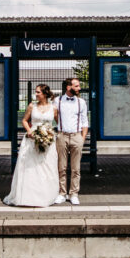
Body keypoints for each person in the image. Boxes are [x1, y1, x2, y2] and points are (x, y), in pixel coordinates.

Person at [3, 84, 60, 207]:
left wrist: (51, 133)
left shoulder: (54, 108)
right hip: (32, 139)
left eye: (38, 92)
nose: (36, 94)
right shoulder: (31, 106)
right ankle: (28, 196)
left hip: (48, 140)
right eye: (36, 92)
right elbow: (24, 120)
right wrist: (29, 130)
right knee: (30, 167)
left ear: (45, 94)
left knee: (46, 166)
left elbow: (58, 122)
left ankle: (46, 195)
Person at [54, 77, 89, 205]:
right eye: (77, 86)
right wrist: (60, 128)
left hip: (76, 136)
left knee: (76, 168)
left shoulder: (81, 102)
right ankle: (62, 193)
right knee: (61, 167)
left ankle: (74, 193)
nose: (79, 88)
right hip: (62, 136)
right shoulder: (57, 100)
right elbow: (55, 116)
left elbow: (85, 121)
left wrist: (82, 138)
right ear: (68, 87)